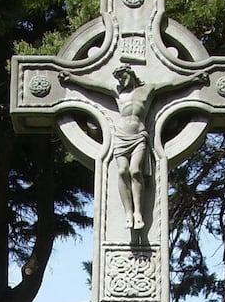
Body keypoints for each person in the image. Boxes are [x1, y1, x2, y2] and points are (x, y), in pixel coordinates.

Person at [59, 64, 209, 235]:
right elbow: (93, 86)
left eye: (123, 76)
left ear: (130, 74)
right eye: (118, 78)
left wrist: (193, 80)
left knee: (135, 171)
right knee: (122, 171)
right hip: (121, 137)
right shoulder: (117, 92)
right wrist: (72, 80)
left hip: (139, 136)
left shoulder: (148, 90)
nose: (121, 81)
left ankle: (138, 212)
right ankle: (128, 213)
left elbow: (172, 86)